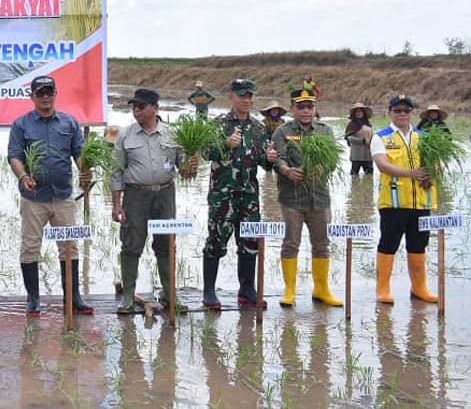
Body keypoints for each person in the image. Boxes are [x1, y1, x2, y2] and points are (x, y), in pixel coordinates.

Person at [7, 75, 93, 316]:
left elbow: (79, 153)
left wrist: (85, 170)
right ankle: (33, 298)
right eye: (40, 93)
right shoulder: (21, 125)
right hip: (33, 198)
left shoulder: (69, 123)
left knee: (69, 248)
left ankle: (73, 297)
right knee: (30, 246)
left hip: (63, 196)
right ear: (32, 96)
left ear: (56, 94)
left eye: (49, 92)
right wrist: (23, 176)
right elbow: (14, 155)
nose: (45, 97)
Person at [110, 88, 196, 314]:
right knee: (131, 244)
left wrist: (192, 164)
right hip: (135, 196)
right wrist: (116, 204)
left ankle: (169, 296)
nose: (136, 110)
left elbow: (184, 169)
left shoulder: (173, 134)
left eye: (141, 106)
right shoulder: (125, 135)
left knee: (166, 245)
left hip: (164, 195)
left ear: (155, 108)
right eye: (134, 106)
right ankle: (128, 296)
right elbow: (116, 172)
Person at [201, 79, 278, 310]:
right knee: (216, 241)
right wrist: (225, 144)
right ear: (231, 97)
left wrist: (270, 159)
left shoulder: (258, 127)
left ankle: (246, 290)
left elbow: (263, 161)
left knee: (250, 242)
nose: (247, 100)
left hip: (249, 196)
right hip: (223, 195)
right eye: (242, 95)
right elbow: (206, 152)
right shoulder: (218, 124)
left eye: (250, 96)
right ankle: (209, 291)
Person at [270, 88, 342, 307]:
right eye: (300, 106)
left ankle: (321, 289)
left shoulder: (325, 131)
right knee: (291, 243)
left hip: (319, 197)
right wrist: (286, 170)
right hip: (292, 198)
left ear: (315, 108)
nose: (306, 111)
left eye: (310, 106)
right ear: (292, 108)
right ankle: (289, 290)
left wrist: (323, 168)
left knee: (322, 244)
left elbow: (332, 160)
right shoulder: (282, 132)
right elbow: (277, 158)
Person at [371, 95, 439, 305]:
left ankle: (419, 288)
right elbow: (383, 165)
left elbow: (436, 164)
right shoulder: (381, 137)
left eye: (406, 110)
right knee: (389, 244)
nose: (402, 114)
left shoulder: (424, 137)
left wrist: (431, 173)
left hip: (421, 202)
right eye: (398, 110)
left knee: (418, 245)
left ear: (412, 113)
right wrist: (412, 174)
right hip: (394, 202)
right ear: (389, 112)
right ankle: (383, 289)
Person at [346, 103, 375, 177]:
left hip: (368, 155)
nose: (359, 113)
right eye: (357, 112)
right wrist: (362, 141)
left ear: (364, 113)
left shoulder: (369, 124)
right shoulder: (352, 124)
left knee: (369, 176)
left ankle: (367, 189)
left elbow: (373, 136)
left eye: (360, 111)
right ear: (354, 114)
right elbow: (350, 138)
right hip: (356, 155)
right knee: (354, 176)